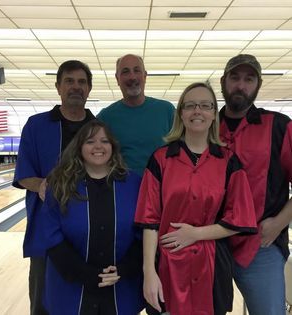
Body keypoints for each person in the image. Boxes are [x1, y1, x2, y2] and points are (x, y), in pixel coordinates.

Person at [135, 82, 257, 315]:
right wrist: (149, 271)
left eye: (205, 105)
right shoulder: (161, 159)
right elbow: (149, 220)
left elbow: (240, 218)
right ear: (181, 113)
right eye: (190, 105)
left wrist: (195, 234)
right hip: (167, 266)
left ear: (213, 114)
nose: (197, 111)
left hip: (212, 266)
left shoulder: (228, 161)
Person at [13, 60, 96, 315]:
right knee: (43, 302)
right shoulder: (36, 125)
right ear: (58, 86)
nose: (75, 87)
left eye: (82, 82)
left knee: (88, 299)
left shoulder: (98, 128)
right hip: (46, 229)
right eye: (69, 81)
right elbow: (24, 174)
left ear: (89, 89)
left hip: (89, 228)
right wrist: (44, 185)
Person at [41, 120, 144, 315]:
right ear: (79, 147)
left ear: (112, 147)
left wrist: (124, 269)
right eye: (90, 141)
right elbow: (51, 237)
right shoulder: (60, 184)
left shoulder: (134, 183)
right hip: (70, 289)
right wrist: (86, 274)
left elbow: (143, 233)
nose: (98, 146)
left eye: (105, 141)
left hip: (121, 287)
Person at [219, 54, 292, 315]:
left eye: (249, 79)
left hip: (260, 245)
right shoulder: (205, 127)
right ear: (223, 82)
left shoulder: (279, 127)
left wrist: (279, 223)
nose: (241, 85)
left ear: (258, 85)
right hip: (212, 244)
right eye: (235, 78)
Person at [97, 54, 175, 176]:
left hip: (162, 188)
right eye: (125, 72)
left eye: (137, 70)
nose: (132, 77)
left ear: (145, 76)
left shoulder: (167, 111)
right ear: (117, 79)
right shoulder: (105, 118)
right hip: (122, 189)